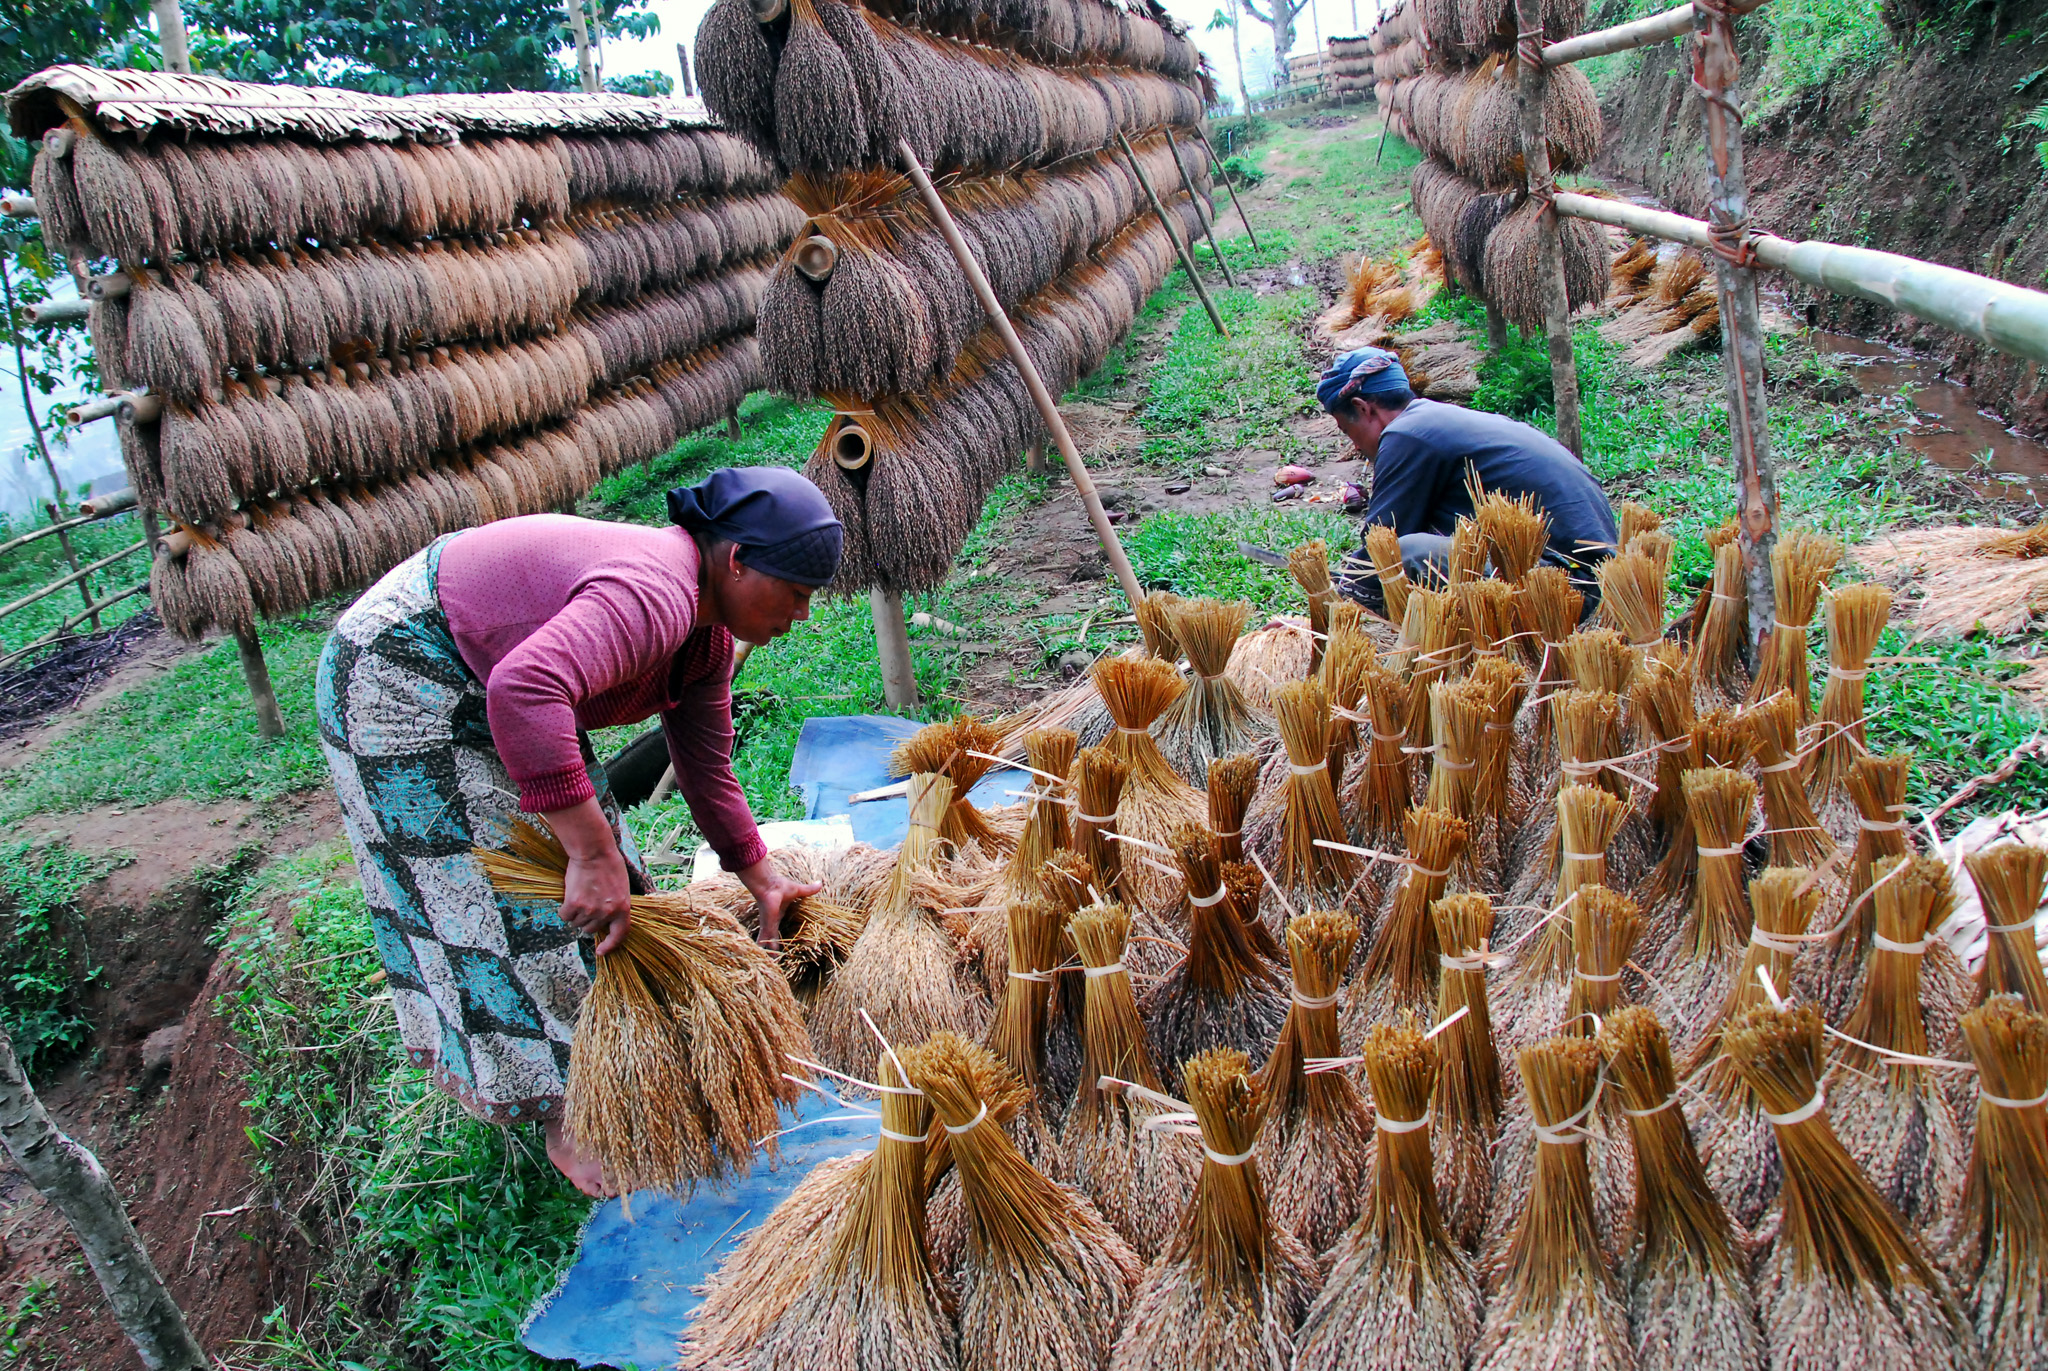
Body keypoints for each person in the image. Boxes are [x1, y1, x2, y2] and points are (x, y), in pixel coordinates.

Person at [316, 467, 840, 1196]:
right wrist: (587, 851)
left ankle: (613, 1067)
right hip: (403, 669)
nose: (803, 614)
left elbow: (705, 766)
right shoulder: (656, 595)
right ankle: (567, 1116)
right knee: (508, 909)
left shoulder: (705, 640)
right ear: (737, 561)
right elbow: (525, 690)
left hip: (499, 678)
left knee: (612, 890)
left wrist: (762, 877)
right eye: (797, 592)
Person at [1317, 347, 1619, 612]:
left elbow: (1379, 544)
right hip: (1594, 579)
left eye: (1347, 431)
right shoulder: (1435, 421)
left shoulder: (1407, 435)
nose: (1355, 446)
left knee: (1408, 553)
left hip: (1570, 587)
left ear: (1362, 408)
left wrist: (1337, 602)